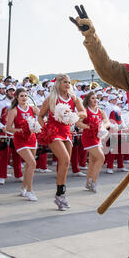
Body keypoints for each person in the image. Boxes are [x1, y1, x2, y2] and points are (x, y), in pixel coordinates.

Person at [38, 74, 86, 211]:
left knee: (65, 163)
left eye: (69, 82)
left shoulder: (74, 98)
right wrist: (45, 129)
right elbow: (40, 116)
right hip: (53, 132)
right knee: (64, 158)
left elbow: (84, 113)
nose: (67, 84)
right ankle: (60, 194)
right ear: (58, 83)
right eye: (65, 82)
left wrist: (74, 115)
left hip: (67, 132)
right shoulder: (51, 99)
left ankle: (60, 195)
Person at [6, 88, 39, 201]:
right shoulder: (13, 111)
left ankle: (23, 188)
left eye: (26, 95)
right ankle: (30, 191)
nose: (24, 98)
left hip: (32, 138)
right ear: (16, 97)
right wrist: (21, 130)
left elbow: (42, 118)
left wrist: (37, 125)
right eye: (22, 96)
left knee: (30, 166)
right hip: (20, 140)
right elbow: (8, 128)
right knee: (32, 163)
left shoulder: (32, 108)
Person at [78, 92, 110, 192]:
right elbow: (78, 123)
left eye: (96, 98)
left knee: (92, 161)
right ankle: (94, 182)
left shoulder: (100, 111)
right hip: (88, 137)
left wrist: (102, 127)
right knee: (101, 158)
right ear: (88, 100)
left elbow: (107, 121)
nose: (95, 100)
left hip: (98, 137)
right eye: (92, 98)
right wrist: (88, 127)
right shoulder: (85, 111)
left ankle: (88, 183)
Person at [0, 85, 23, 185]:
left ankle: (19, 175)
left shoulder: (19, 104)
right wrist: (3, 127)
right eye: (10, 91)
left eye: (13, 91)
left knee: (18, 155)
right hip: (5, 133)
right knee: (4, 156)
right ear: (6, 92)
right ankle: (2, 176)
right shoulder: (1, 104)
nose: (12, 92)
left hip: (16, 133)